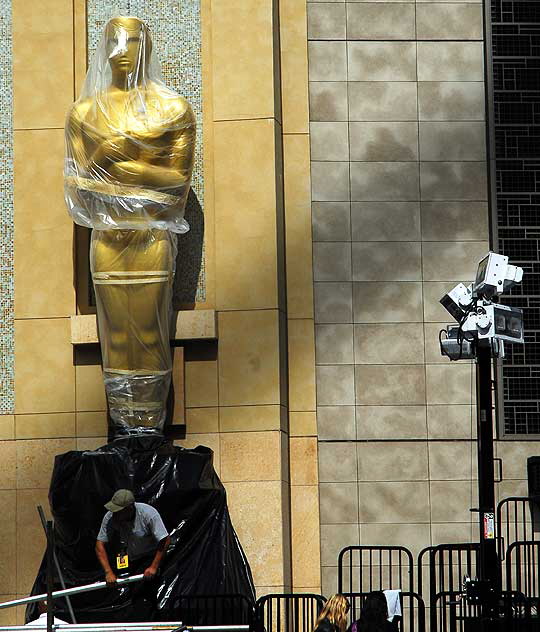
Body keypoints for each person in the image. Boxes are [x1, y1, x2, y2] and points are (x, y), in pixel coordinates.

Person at [95, 489, 170, 585]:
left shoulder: (148, 514)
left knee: (145, 589)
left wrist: (153, 567)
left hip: (151, 556)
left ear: (129, 508)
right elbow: (99, 545)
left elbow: (165, 540)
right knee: (131, 589)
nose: (114, 514)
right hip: (130, 558)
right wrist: (108, 572)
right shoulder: (110, 517)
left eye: (118, 511)